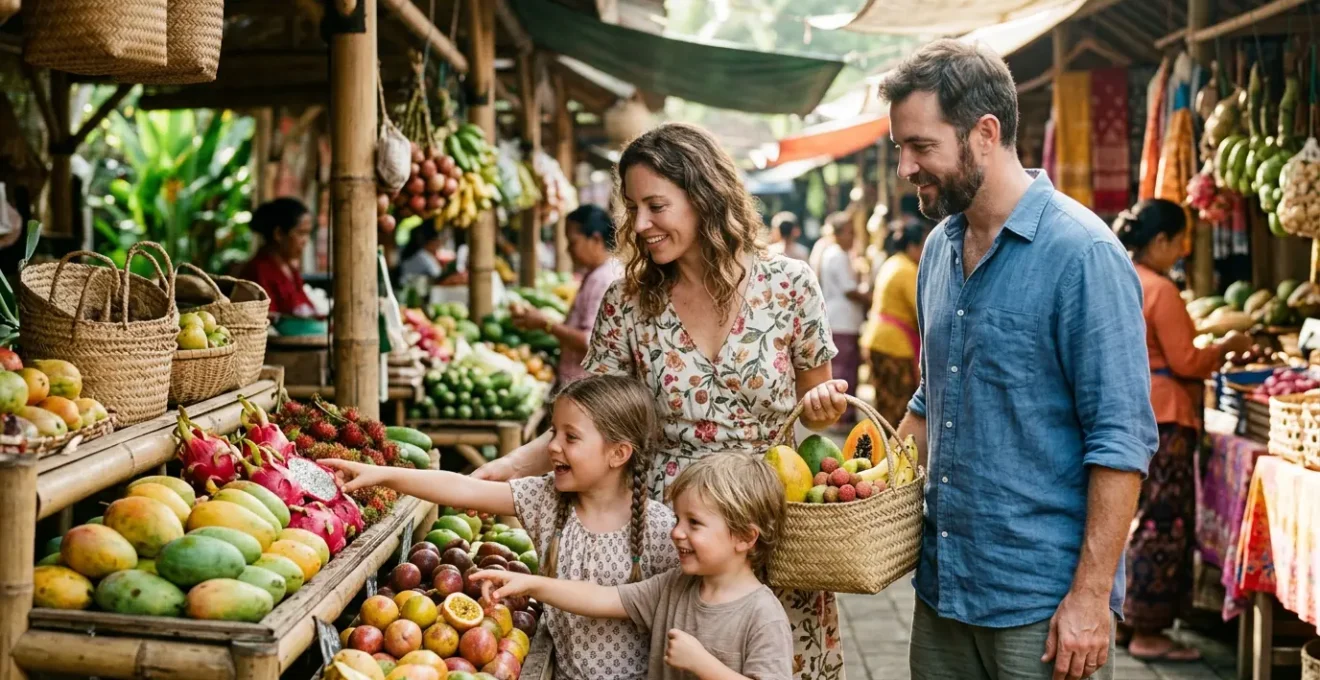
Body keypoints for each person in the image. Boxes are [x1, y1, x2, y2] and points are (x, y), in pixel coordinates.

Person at [476, 122, 851, 679]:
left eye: (656, 205)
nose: (641, 225)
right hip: (667, 538)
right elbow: (585, 423)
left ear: (704, 196)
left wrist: (826, 406)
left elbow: (817, 413)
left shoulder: (790, 285)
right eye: (633, 208)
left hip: (767, 529)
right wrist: (500, 474)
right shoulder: (627, 302)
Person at [881, 39, 1158, 680]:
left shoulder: (1083, 254)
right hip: (943, 590)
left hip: (1043, 607)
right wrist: (864, 480)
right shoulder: (938, 250)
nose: (905, 168)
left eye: (921, 146)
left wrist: (1090, 599)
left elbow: (1121, 440)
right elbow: (931, 400)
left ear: (985, 133)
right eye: (901, 147)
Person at [322, 375, 679, 680]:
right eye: (553, 432)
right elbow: (461, 487)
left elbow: (681, 613)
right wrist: (382, 474)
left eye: (571, 438)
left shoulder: (661, 528)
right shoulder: (546, 500)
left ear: (619, 453)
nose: (552, 446)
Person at [474, 453, 792, 680]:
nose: (676, 531)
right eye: (678, 518)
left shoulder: (763, 614)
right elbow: (602, 598)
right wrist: (530, 585)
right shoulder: (673, 587)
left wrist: (703, 665)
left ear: (745, 537)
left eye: (694, 523)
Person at [1111, 200, 1249, 662]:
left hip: (1131, 409)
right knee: (1163, 524)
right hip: (1166, 417)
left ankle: (1130, 623)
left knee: (1137, 518)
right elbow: (1186, 360)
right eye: (1179, 239)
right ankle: (1150, 630)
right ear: (1160, 241)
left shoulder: (1121, 277)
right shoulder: (1162, 290)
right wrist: (1227, 347)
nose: (1183, 249)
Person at [510, 204, 623, 387]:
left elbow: (592, 341)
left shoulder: (604, 280)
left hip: (589, 390)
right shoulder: (597, 274)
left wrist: (545, 324)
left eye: (573, 242)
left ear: (595, 239)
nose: (568, 250)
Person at [861, 221, 925, 425]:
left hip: (879, 340)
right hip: (894, 345)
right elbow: (921, 310)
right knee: (898, 409)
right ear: (913, 246)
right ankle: (893, 454)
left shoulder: (892, 263)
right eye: (923, 245)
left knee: (885, 404)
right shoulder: (906, 270)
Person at [817, 211, 869, 426]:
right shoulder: (837, 255)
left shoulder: (837, 254)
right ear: (838, 234)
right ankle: (842, 417)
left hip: (843, 320)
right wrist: (869, 297)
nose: (853, 236)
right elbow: (850, 289)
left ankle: (843, 416)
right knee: (844, 371)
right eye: (849, 232)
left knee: (846, 368)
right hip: (842, 321)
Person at [239, 198, 317, 318]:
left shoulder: (290, 269)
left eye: (307, 234)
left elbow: (307, 308)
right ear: (279, 234)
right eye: (301, 233)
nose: (305, 241)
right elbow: (269, 319)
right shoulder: (259, 270)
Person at [398, 221, 444, 286]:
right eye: (437, 241)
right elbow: (438, 274)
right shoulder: (422, 256)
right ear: (430, 242)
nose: (439, 245)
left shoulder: (416, 254)